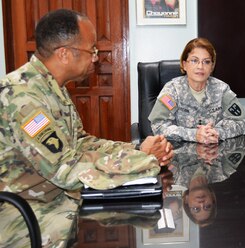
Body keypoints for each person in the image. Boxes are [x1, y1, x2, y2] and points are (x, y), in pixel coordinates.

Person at [0, 9, 173, 193]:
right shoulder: (22, 97)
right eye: (92, 50)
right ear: (64, 54)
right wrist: (144, 159)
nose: (96, 58)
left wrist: (137, 149)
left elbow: (81, 143)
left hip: (60, 197)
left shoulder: (52, 87)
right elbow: (65, 170)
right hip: (36, 211)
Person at [149, 37, 245, 144]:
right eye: (194, 60)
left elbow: (239, 122)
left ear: (212, 67)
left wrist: (217, 132)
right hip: (180, 157)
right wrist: (193, 135)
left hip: (215, 156)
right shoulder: (172, 90)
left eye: (206, 62)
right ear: (184, 64)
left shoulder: (222, 90)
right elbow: (158, 126)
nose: (200, 66)